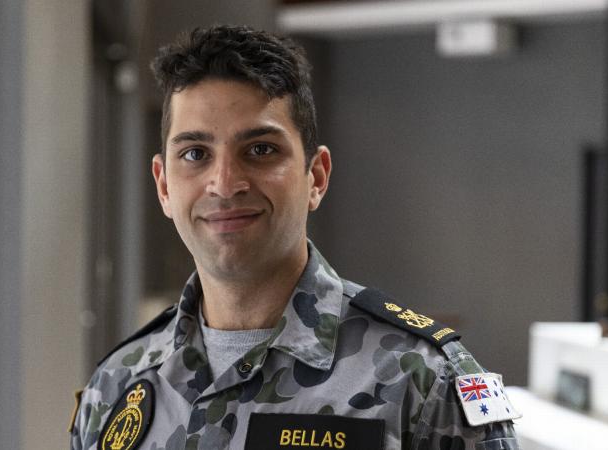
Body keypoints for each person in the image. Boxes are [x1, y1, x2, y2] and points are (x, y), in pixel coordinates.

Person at [70, 25, 520, 450]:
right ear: (164, 186)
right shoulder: (116, 385)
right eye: (195, 153)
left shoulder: (423, 381)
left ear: (316, 176)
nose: (224, 184)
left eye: (260, 150)